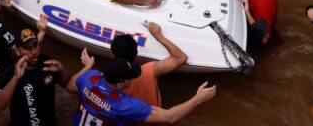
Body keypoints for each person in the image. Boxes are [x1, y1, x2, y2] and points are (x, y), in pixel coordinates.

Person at [67, 52, 216, 125]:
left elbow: (71, 86)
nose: (133, 78)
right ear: (119, 84)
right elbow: (170, 117)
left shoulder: (89, 77)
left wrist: (86, 67)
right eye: (130, 77)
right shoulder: (123, 105)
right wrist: (198, 99)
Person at [0, 28, 69, 126]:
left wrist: (61, 69)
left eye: (35, 45)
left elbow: (67, 83)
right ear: (17, 51)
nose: (33, 51)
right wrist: (15, 78)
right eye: (28, 48)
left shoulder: (47, 63)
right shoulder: (8, 74)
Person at [110, 22, 188, 111]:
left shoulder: (106, 79)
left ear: (112, 55)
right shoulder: (149, 70)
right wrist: (158, 35)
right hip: (155, 118)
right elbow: (181, 58)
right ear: (136, 54)